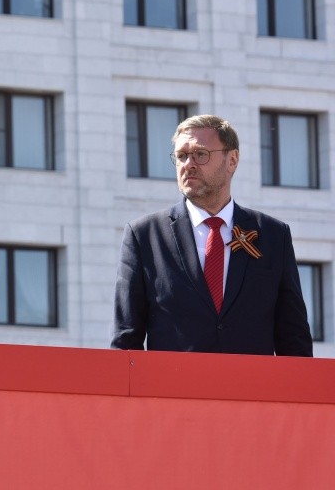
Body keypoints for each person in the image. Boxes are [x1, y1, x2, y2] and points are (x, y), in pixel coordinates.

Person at [113, 114, 311, 355]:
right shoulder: (144, 236)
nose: (188, 164)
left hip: (251, 389)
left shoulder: (273, 236)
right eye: (181, 156)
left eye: (200, 154)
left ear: (232, 160)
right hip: (173, 390)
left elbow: (294, 337)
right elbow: (126, 341)